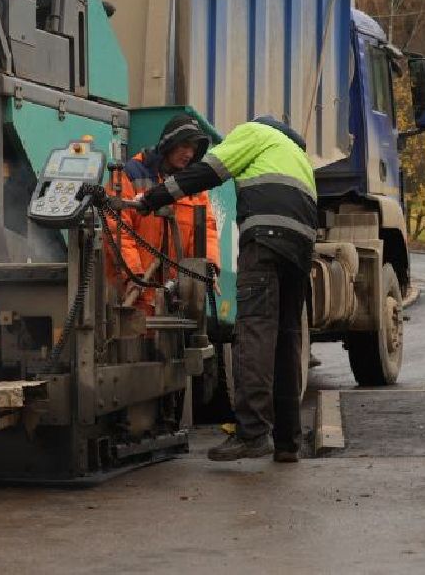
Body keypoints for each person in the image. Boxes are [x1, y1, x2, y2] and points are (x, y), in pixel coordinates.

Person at [130, 115, 316, 462]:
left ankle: (252, 434)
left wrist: (152, 197)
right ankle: (288, 442)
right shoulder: (295, 153)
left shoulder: (252, 133)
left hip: (265, 239)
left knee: (255, 332)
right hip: (302, 248)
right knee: (287, 338)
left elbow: (207, 173)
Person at [108, 114, 220, 316]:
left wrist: (208, 268)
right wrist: (133, 276)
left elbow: (206, 230)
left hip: (174, 302)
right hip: (134, 299)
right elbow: (117, 229)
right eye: (184, 146)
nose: (189, 153)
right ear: (169, 143)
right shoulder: (130, 174)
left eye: (193, 149)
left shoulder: (195, 187)